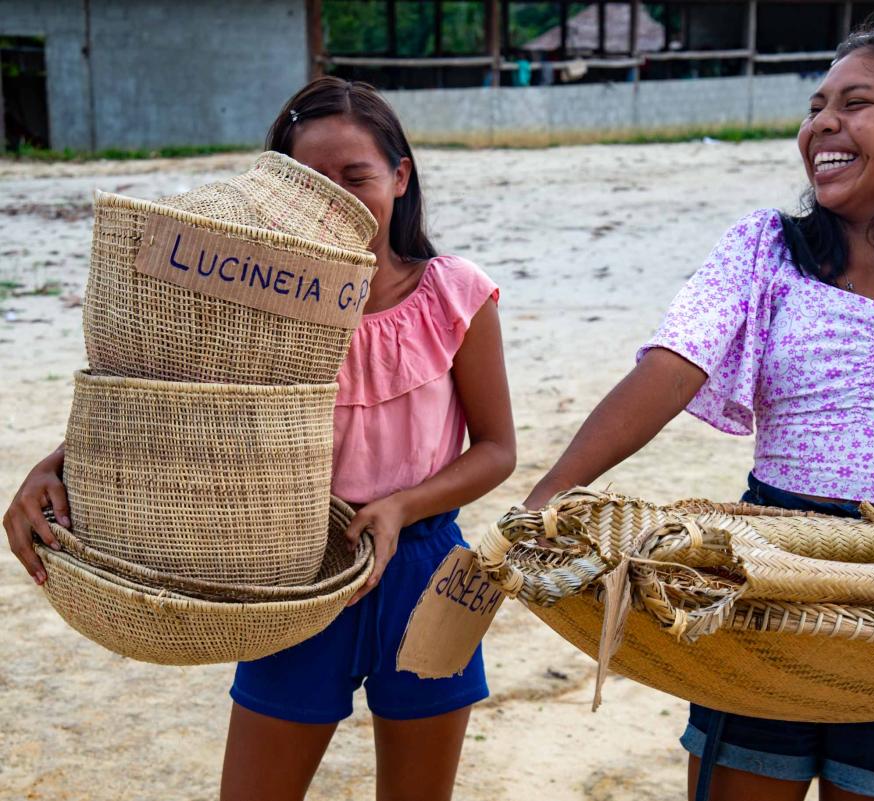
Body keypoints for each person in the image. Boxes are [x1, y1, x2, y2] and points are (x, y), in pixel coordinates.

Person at [524, 24, 874, 801]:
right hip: (763, 566)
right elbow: (668, 366)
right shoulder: (765, 247)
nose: (821, 124)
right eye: (815, 106)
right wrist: (551, 494)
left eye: (855, 103)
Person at [4, 77, 516, 801]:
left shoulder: (456, 294)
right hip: (291, 571)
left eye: (357, 176)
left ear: (401, 177)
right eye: (308, 180)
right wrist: (50, 465)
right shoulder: (259, 306)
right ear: (276, 190)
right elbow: (173, 415)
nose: (332, 198)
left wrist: (402, 507)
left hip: (428, 570)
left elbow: (497, 448)